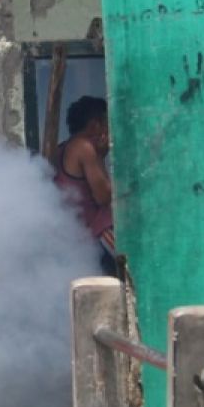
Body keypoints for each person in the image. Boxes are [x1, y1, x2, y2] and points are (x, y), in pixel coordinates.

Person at [53, 96, 116, 275]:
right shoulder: (84, 148)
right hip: (95, 234)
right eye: (107, 122)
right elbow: (103, 196)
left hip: (75, 236)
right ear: (96, 124)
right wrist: (100, 156)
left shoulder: (62, 148)